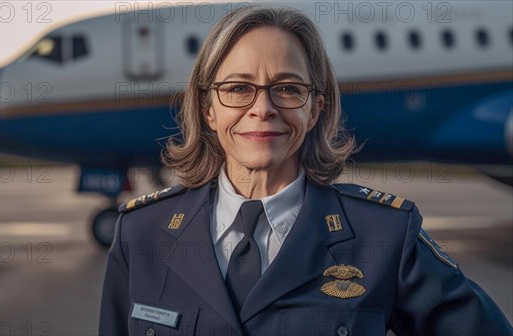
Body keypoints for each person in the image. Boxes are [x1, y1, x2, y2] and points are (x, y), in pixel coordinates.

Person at [99, 5, 512, 336]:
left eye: (288, 89)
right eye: (238, 88)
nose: (262, 109)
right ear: (208, 108)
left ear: (315, 109)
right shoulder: (142, 234)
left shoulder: (385, 235)